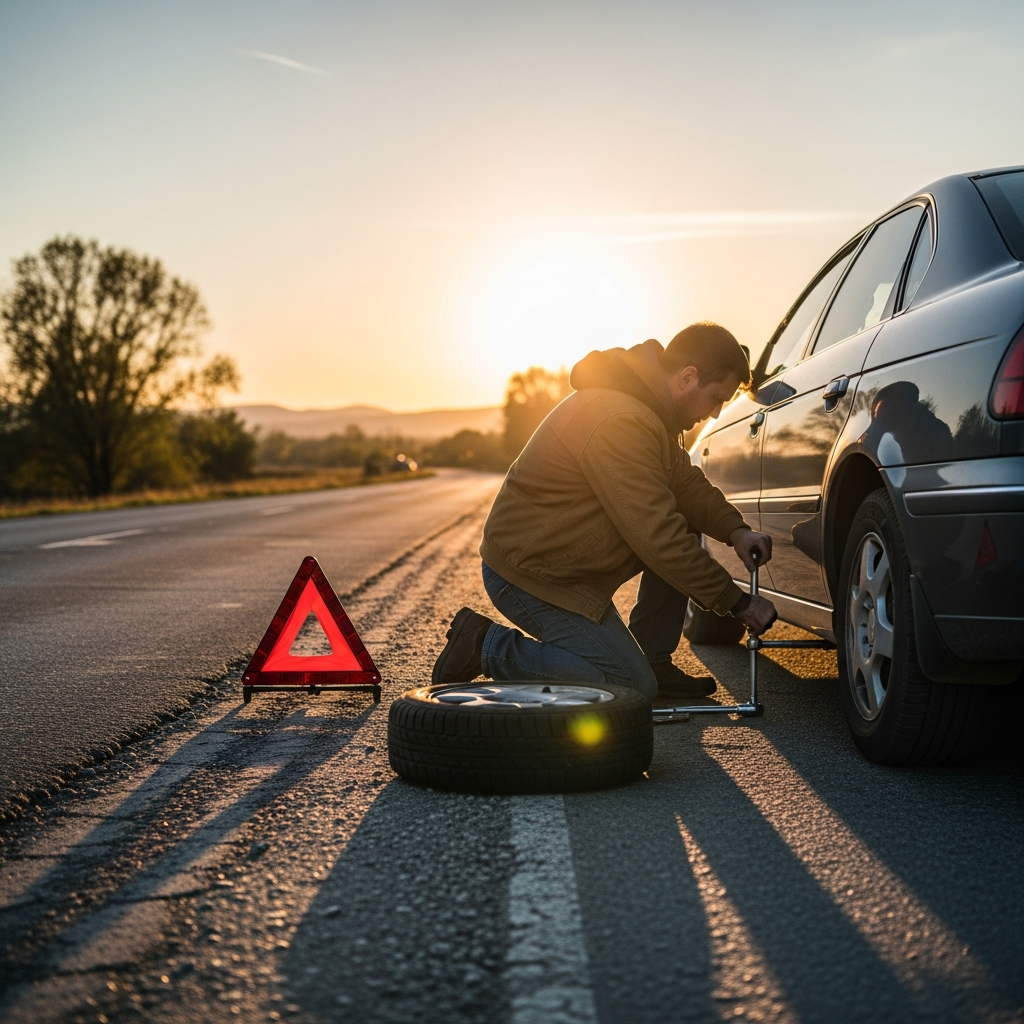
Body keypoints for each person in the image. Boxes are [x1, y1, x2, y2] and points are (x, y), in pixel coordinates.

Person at [432, 322, 778, 703]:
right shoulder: (619, 419)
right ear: (688, 377)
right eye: (716, 398)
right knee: (629, 685)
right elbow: (656, 535)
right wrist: (738, 603)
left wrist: (736, 531)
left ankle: (653, 661)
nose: (714, 414)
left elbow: (685, 484)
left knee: (684, 521)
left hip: (566, 566)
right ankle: (484, 645)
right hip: (531, 574)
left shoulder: (647, 412)